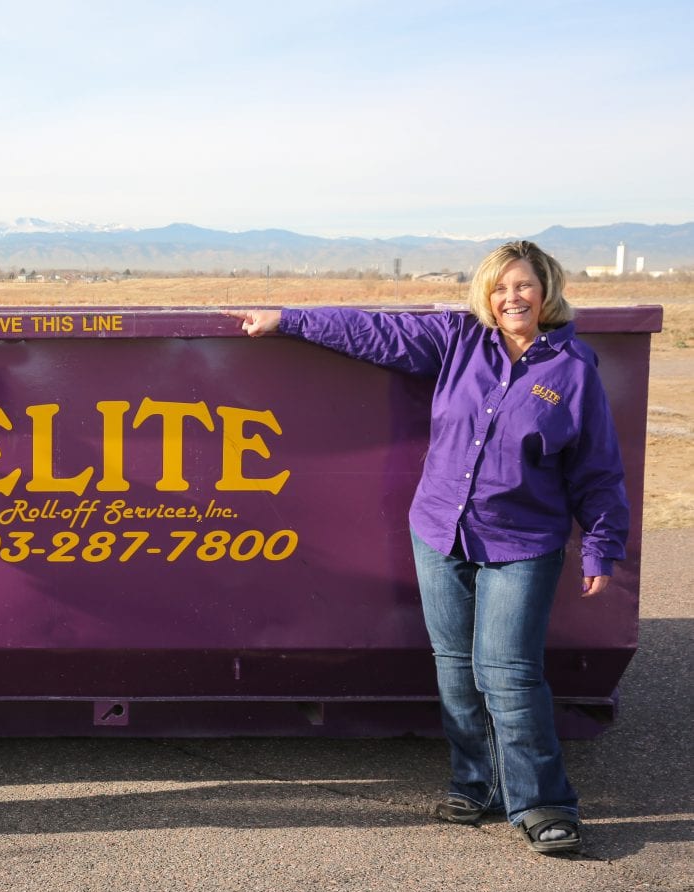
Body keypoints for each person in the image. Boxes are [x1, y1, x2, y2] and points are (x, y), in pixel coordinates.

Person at [228, 240, 628, 855]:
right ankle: (477, 783)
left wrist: (602, 546)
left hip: (521, 542)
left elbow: (597, 470)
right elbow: (374, 334)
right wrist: (290, 319)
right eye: (499, 288)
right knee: (455, 668)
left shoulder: (573, 369)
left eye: (523, 286)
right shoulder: (459, 342)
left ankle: (544, 803)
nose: (511, 298)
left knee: (511, 674)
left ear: (546, 290)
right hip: (441, 530)